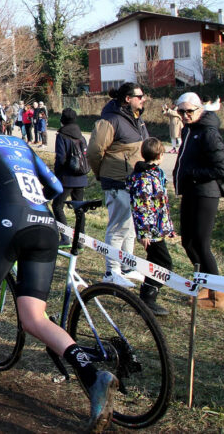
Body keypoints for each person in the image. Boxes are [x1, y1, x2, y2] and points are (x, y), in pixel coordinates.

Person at [0, 99, 117, 430]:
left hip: (11, 222)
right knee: (33, 317)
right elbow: (55, 187)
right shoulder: (23, 144)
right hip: (46, 225)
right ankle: (91, 374)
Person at [87, 82, 149, 288]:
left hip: (133, 182)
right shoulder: (111, 120)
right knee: (118, 227)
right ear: (127, 99)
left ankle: (128, 267)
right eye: (139, 96)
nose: (143, 99)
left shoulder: (137, 120)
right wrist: (101, 174)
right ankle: (111, 271)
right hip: (116, 181)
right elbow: (95, 151)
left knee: (130, 227)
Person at [173, 91, 224, 311]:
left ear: (200, 110)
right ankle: (204, 285)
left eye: (189, 111)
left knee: (201, 244)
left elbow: (221, 168)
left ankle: (219, 296)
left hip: (206, 193)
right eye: (181, 111)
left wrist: (193, 173)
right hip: (190, 192)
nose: (185, 115)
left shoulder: (209, 132)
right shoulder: (189, 130)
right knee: (187, 242)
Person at [126, 138, 176, 317]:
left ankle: (148, 296)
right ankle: (148, 297)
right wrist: (144, 232)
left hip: (157, 227)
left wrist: (167, 227)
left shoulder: (156, 174)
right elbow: (142, 207)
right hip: (150, 230)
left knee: (157, 261)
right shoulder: (144, 178)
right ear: (160, 155)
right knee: (164, 263)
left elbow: (161, 203)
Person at [52, 108, 88, 246]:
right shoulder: (81, 136)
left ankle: (65, 237)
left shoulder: (62, 136)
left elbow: (60, 159)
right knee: (79, 209)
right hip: (81, 177)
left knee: (57, 205)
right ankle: (81, 241)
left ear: (62, 120)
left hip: (66, 178)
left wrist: (56, 176)